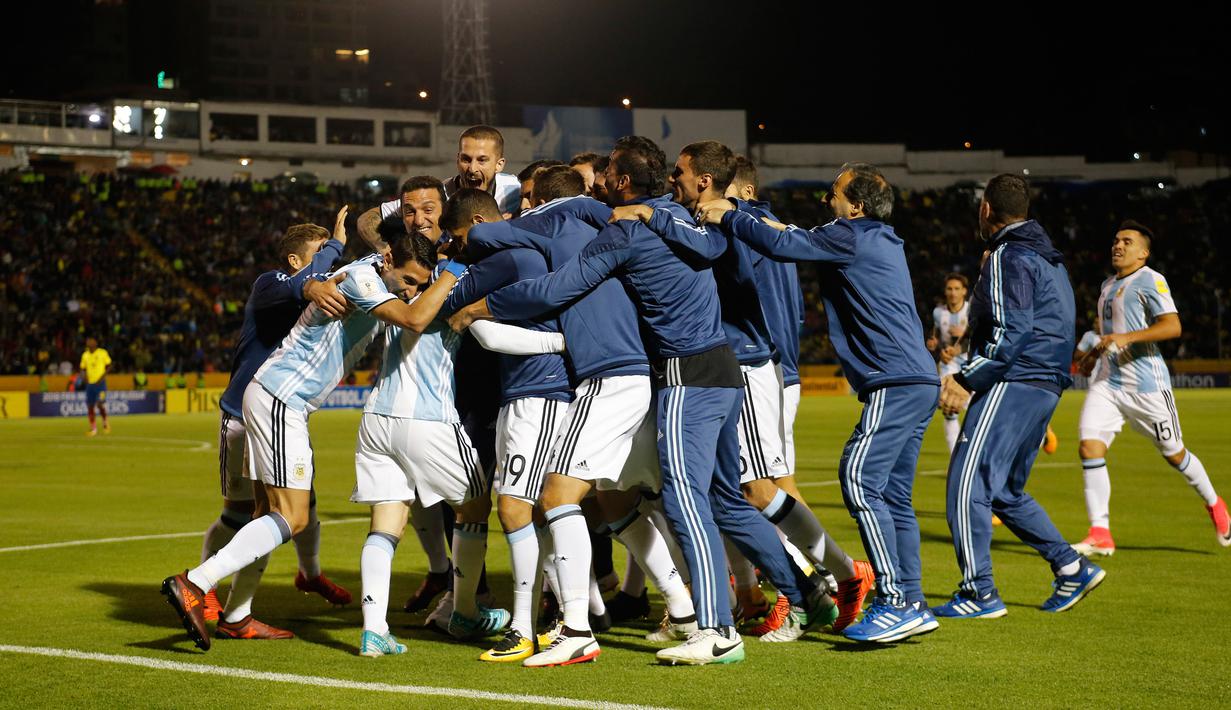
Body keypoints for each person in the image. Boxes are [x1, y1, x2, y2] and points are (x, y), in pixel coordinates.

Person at [452, 136, 827, 666]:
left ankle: (714, 628)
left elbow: (559, 288)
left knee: (681, 498)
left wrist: (483, 304)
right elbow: (714, 248)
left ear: (622, 182)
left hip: (684, 375)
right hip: (724, 370)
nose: (597, 187)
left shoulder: (626, 229)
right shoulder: (685, 219)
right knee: (724, 498)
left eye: (604, 178)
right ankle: (807, 591)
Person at [161, 223, 465, 653]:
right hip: (283, 399)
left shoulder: (370, 274)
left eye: (420, 285)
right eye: (409, 281)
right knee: (293, 517)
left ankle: (236, 615)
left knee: (265, 512)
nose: (412, 292)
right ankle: (195, 582)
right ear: (389, 261)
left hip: (273, 396)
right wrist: (454, 270)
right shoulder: (364, 279)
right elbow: (415, 319)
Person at [457, 169, 699, 660]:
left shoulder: (553, 217)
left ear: (542, 201)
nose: (521, 210)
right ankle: (686, 609)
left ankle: (576, 631)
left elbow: (482, 232)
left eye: (528, 200)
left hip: (605, 380)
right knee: (619, 502)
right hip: (639, 378)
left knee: (558, 497)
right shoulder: (609, 230)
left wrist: (479, 298)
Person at [698, 161, 940, 643]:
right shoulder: (877, 237)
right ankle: (911, 600)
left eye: (835, 193)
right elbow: (792, 234)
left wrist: (728, 215)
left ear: (856, 206)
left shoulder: (850, 235)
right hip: (915, 378)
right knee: (893, 497)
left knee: (858, 478)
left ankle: (892, 599)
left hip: (894, 379)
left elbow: (787, 243)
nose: (827, 199)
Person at [934, 173, 1104, 620]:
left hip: (1014, 378)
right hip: (1044, 382)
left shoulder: (1009, 254)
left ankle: (978, 592)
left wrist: (966, 378)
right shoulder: (1050, 258)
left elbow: (1013, 330)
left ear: (986, 209)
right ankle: (1071, 567)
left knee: (966, 484)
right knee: (1006, 491)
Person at [352, 223, 514, 657]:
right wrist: (454, 269)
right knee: (476, 504)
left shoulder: (388, 294)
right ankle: (464, 611)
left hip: (376, 421)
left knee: (385, 523)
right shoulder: (445, 292)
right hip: (427, 420)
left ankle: (373, 629)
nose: (413, 288)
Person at [200, 211, 352, 640]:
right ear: (293, 260)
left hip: (281, 415)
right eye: (318, 256)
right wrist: (337, 245)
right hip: (240, 419)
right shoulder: (270, 284)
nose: (329, 268)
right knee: (239, 515)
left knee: (301, 502)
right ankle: (208, 590)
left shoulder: (312, 300)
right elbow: (311, 281)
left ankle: (308, 575)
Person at [1071, 220, 1229, 555]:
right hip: (1108, 383)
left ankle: (1215, 505)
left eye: (1127, 241)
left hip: (1146, 386)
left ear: (1143, 252)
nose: (1118, 245)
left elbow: (1172, 326)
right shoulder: (1106, 285)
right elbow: (1111, 336)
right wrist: (1091, 357)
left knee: (1175, 454)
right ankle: (1100, 531)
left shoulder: (1151, 279)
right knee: (1089, 446)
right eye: (1115, 240)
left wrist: (1126, 338)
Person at [357, 125, 521, 245]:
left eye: (482, 160)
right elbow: (367, 219)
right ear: (457, 159)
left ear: (499, 164)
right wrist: (387, 252)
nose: (472, 168)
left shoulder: (516, 189)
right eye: (466, 159)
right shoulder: (438, 195)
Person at [929, 273, 971, 453]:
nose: (953, 293)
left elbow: (985, 336)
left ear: (964, 292)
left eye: (957, 289)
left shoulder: (972, 310)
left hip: (972, 363)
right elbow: (935, 337)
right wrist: (935, 346)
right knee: (949, 409)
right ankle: (957, 460)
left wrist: (964, 334)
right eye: (949, 289)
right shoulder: (939, 313)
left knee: (976, 409)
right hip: (949, 365)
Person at [79, 337, 111, 436]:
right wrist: (84, 378)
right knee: (90, 406)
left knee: (100, 404)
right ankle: (93, 429)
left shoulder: (102, 353)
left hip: (100, 385)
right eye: (88, 341)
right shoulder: (85, 355)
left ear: (96, 343)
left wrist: (103, 377)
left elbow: (109, 365)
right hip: (90, 385)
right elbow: (82, 369)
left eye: (91, 341)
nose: (89, 343)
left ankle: (105, 422)